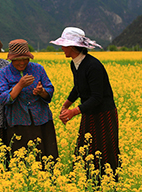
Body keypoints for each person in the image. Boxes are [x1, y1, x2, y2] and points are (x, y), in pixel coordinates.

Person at [50, 26, 120, 179]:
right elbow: (78, 87)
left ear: (72, 47)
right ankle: (87, 179)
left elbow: (97, 97)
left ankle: (108, 182)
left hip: (103, 114)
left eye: (64, 45)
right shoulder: (75, 63)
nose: (62, 48)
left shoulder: (93, 66)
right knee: (85, 147)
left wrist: (73, 112)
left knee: (104, 150)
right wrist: (65, 105)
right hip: (89, 111)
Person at [0, 39, 58, 161]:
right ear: (11, 59)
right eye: (18, 60)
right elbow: (3, 98)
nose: (22, 62)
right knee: (21, 160)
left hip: (41, 120)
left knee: (45, 158)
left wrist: (41, 91)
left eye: (25, 59)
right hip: (17, 122)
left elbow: (49, 90)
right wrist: (19, 85)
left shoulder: (38, 69)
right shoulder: (4, 73)